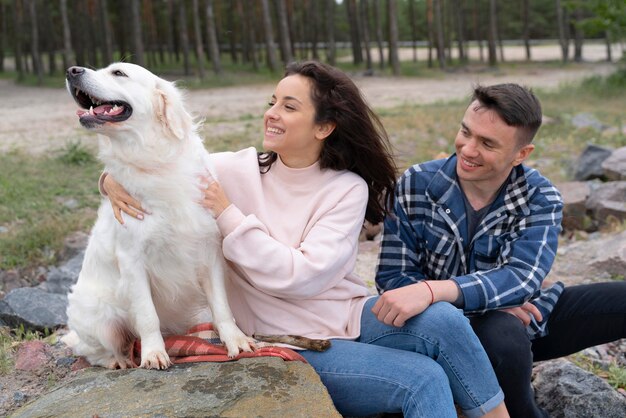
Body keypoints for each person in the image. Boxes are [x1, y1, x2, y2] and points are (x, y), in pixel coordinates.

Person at [99, 61, 510, 417]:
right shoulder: (228, 171)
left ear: (325, 127)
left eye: (289, 106)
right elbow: (158, 165)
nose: (272, 114)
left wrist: (229, 215)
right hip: (283, 339)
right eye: (272, 102)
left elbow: (301, 276)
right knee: (423, 380)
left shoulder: (346, 188)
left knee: (444, 319)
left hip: (343, 317)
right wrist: (109, 180)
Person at [375, 82, 626, 418]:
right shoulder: (417, 183)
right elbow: (393, 277)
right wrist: (477, 306)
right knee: (501, 330)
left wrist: (436, 290)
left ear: (521, 154)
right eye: (466, 131)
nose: (468, 149)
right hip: (443, 330)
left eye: (487, 143)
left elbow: (521, 278)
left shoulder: (541, 197)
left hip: (530, 319)